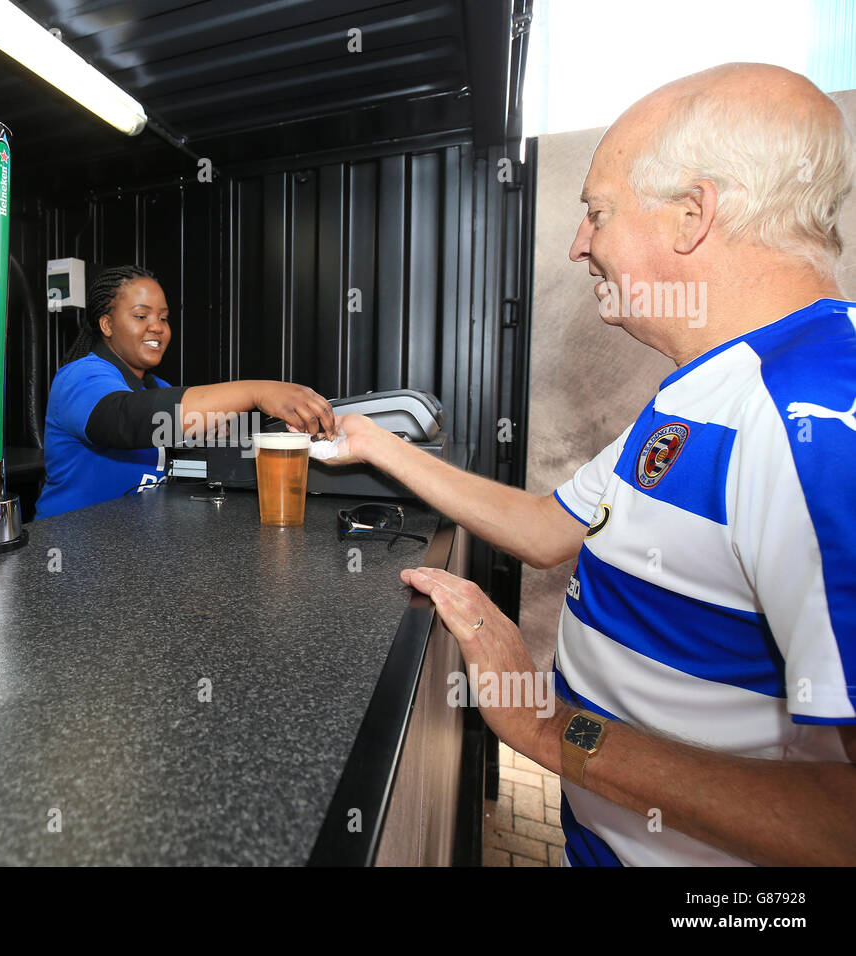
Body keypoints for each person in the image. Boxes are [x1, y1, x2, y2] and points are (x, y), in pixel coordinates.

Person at [330, 63, 856, 865]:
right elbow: (547, 529)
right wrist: (377, 443)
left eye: (598, 213)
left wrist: (546, 727)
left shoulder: (811, 420)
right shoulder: (710, 390)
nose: (581, 245)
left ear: (692, 215)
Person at [34, 264, 335, 517]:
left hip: (126, 548)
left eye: (163, 318)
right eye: (141, 316)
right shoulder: (78, 376)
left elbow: (224, 433)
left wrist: (298, 429)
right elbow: (124, 419)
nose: (157, 327)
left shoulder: (156, 387)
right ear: (107, 324)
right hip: (69, 547)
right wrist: (258, 391)